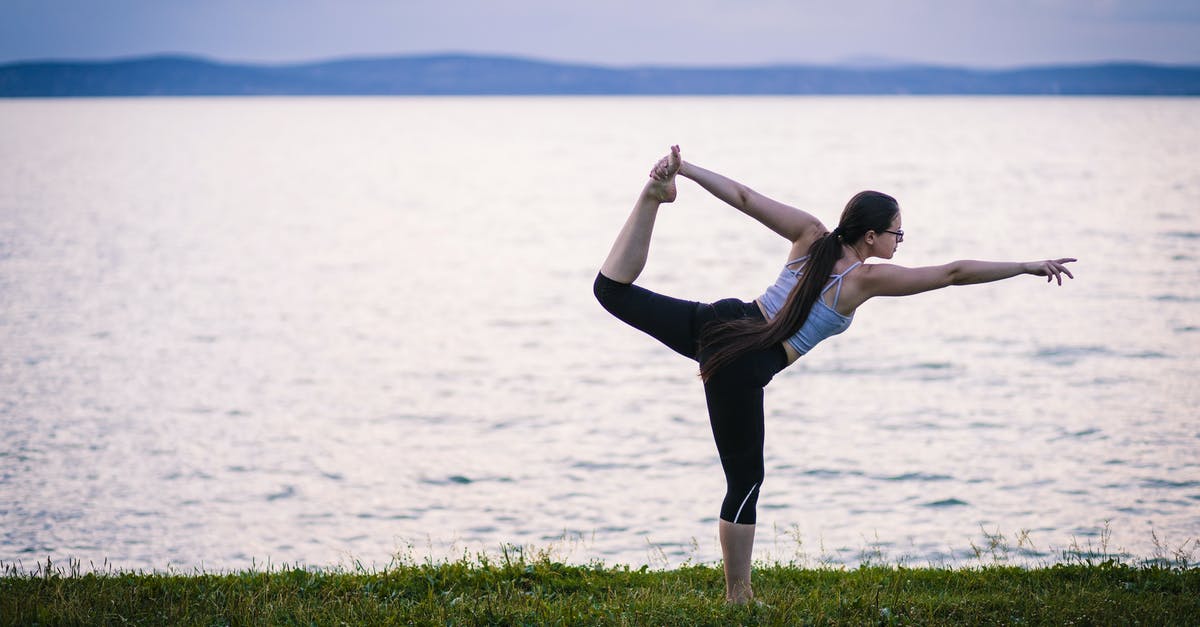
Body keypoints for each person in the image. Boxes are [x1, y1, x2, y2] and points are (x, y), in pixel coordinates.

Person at [593, 145, 1075, 604]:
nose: (899, 241)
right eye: (897, 233)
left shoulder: (809, 234)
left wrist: (686, 169)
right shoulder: (863, 279)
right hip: (743, 362)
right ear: (872, 237)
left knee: (611, 291)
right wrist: (1023, 266)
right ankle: (738, 597)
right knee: (745, 482)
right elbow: (952, 273)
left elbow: (744, 197)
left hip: (722, 319)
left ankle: (651, 197)